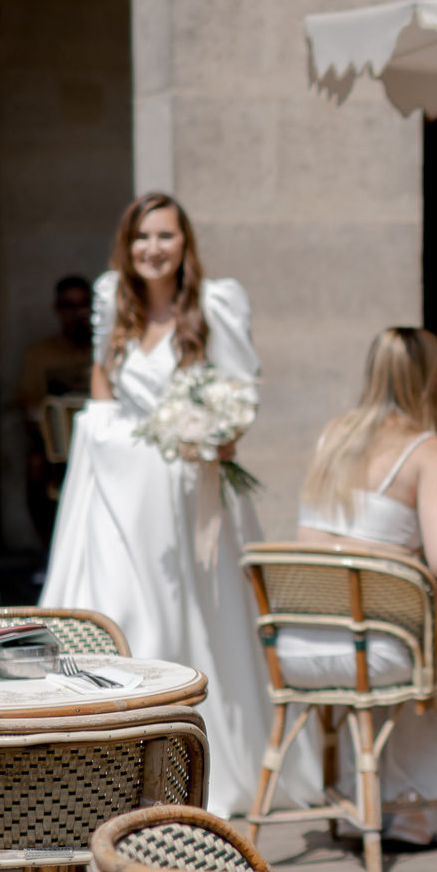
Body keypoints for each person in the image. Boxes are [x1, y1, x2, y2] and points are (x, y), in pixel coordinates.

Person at [40, 193, 290, 817]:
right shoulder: (111, 301)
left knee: (193, 622)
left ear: (185, 244)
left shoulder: (215, 304)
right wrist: (108, 431)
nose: (153, 248)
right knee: (118, 608)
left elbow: (238, 401)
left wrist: (210, 434)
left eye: (166, 236)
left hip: (187, 499)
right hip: (120, 491)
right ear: (127, 246)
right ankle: (105, 763)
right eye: (141, 237)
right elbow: (102, 382)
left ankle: (191, 762)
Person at [290, 327, 437, 845]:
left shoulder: (332, 435)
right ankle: (413, 803)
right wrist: (420, 532)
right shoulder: (429, 451)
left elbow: (309, 540)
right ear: (432, 381)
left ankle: (368, 790)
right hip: (379, 646)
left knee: (424, 636)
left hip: (305, 643)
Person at [18, 275, 97, 543]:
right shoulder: (39, 353)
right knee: (36, 464)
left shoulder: (105, 350)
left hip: (100, 440)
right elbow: (28, 404)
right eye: (69, 306)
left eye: (84, 305)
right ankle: (48, 548)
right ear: (57, 309)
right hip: (58, 449)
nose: (77, 313)